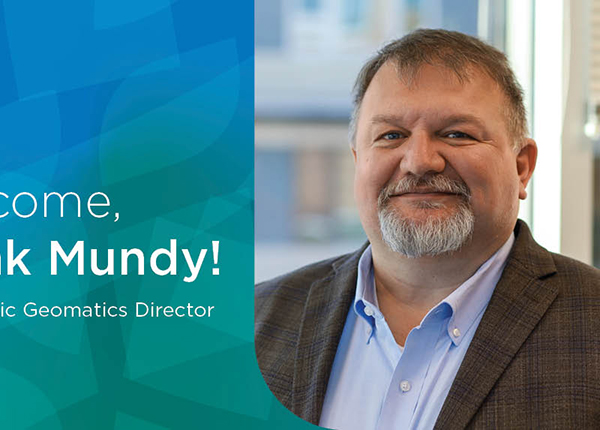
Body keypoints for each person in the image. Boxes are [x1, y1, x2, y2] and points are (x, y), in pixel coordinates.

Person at [255, 29, 600, 429]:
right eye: (391, 136)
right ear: (358, 161)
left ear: (521, 167)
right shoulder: (251, 324)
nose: (419, 161)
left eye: (456, 134)